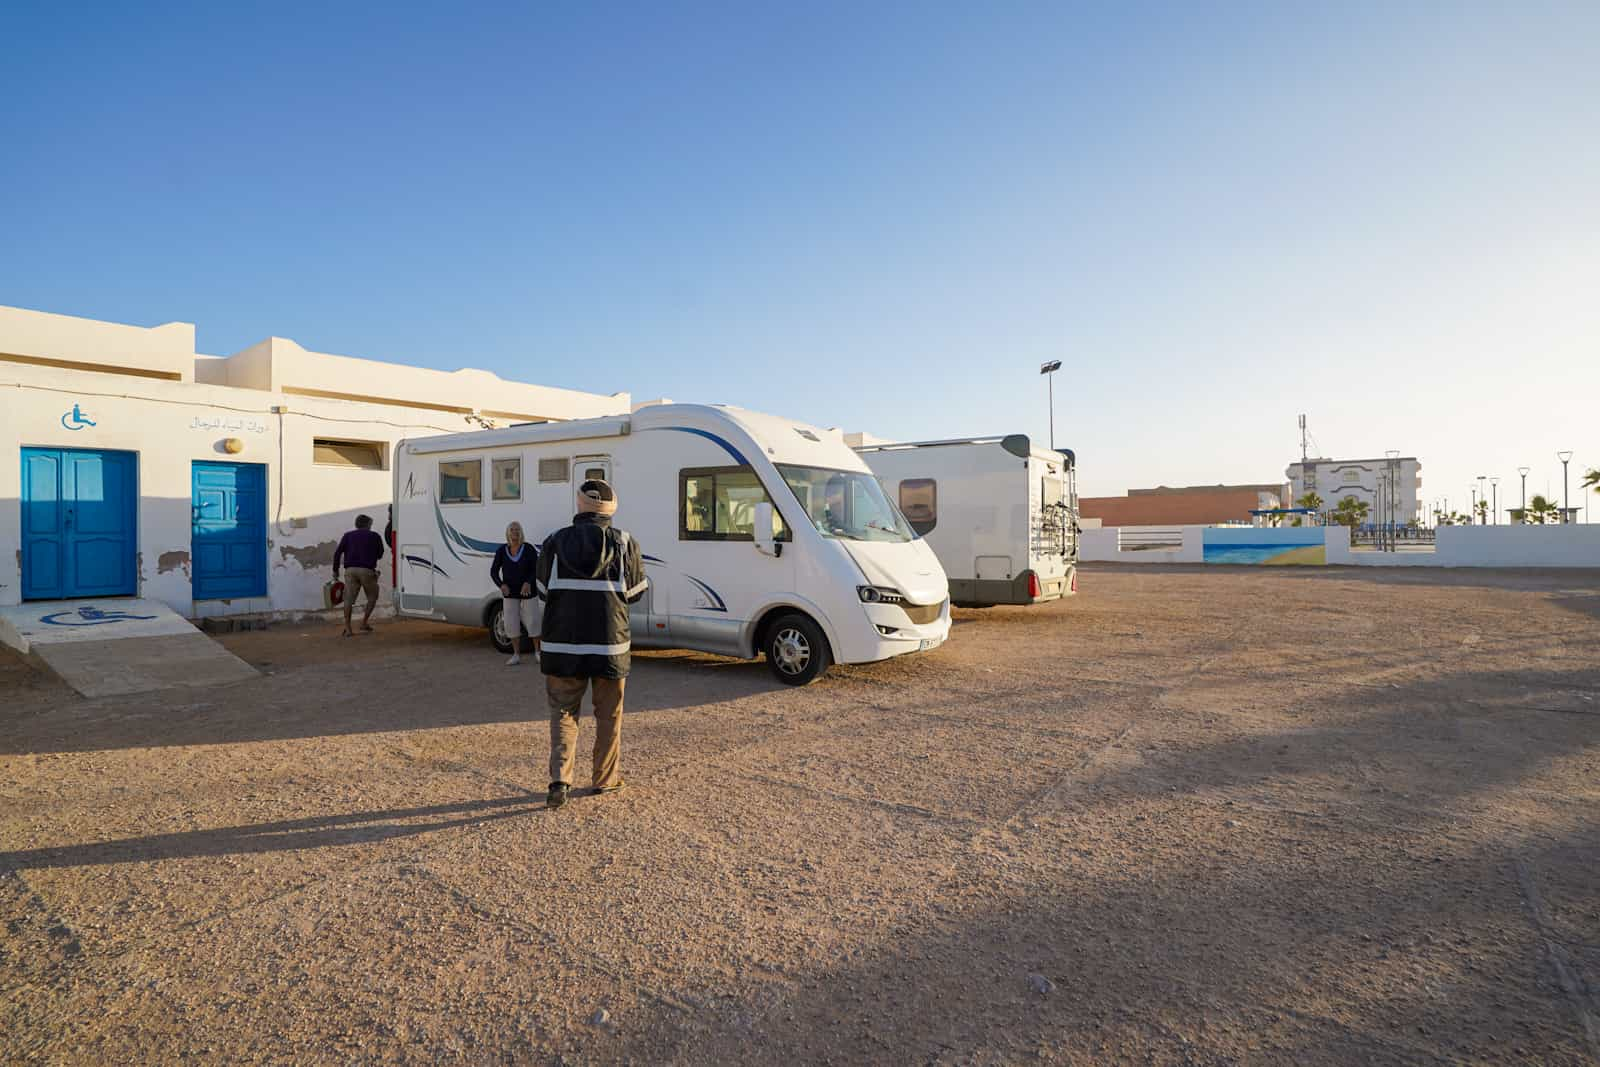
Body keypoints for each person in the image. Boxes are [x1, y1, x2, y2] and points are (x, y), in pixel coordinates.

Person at [535, 479, 647, 810]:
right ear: (611, 508)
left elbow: (542, 589)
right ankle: (605, 780)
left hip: (562, 644)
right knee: (609, 715)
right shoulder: (625, 542)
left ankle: (560, 781)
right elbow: (636, 592)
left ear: (580, 504)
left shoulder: (554, 541)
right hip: (609, 646)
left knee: (563, 713)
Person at [491, 521, 540, 666]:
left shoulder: (529, 549)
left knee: (533, 621)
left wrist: (528, 582)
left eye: (517, 529)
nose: (515, 532)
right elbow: (493, 571)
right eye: (512, 530)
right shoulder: (501, 551)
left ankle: (538, 652)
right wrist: (501, 585)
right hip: (510, 593)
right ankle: (516, 654)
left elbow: (535, 568)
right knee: (511, 624)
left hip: (528, 591)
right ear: (507, 533)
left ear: (521, 532)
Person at [332, 513, 385, 637]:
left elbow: (337, 553)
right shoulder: (375, 536)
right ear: (368, 525)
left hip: (350, 570)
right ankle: (364, 622)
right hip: (367, 571)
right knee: (372, 597)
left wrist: (335, 570)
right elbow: (380, 554)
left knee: (348, 600)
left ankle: (348, 628)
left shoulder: (348, 536)